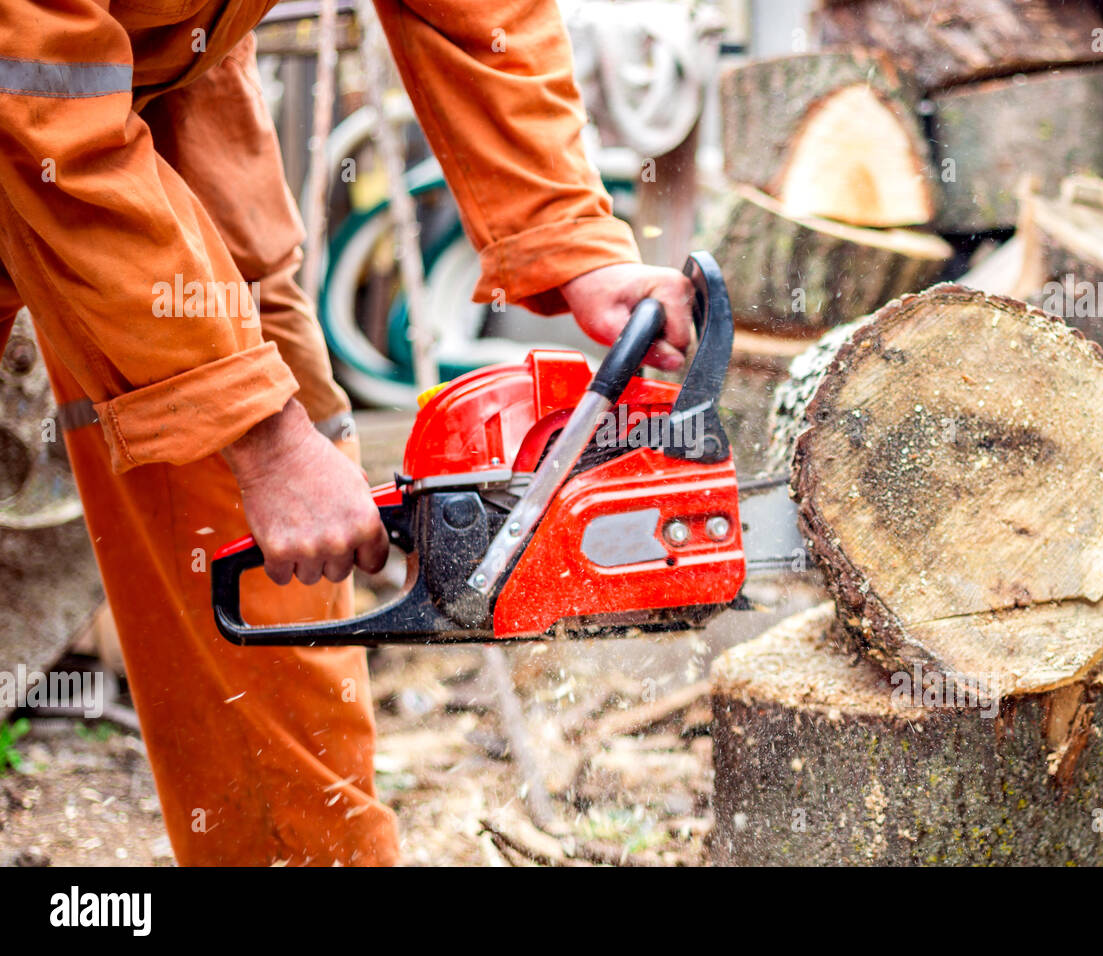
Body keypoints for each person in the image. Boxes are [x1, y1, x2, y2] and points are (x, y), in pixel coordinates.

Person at [0, 0, 693, 866]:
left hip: (164, 86)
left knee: (259, 585)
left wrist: (566, 237)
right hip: (41, 89)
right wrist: (259, 431)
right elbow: (36, 96)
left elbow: (481, 13)